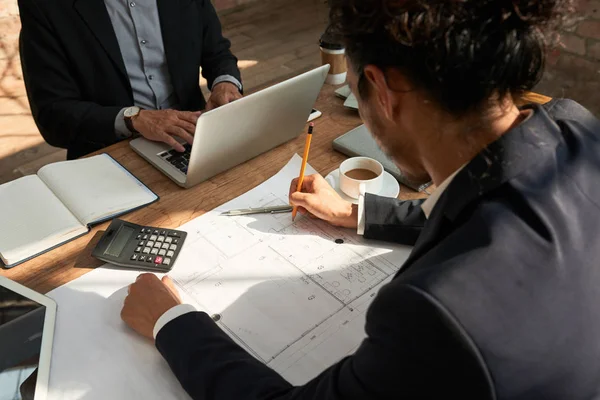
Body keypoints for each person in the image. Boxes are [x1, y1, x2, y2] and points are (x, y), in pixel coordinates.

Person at [121, 0, 600, 398]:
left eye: (353, 86)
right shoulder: (574, 128)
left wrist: (173, 322)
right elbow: (478, 205)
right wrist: (358, 212)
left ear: (385, 91)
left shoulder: (437, 315)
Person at [18, 0, 242, 159]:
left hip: (193, 136)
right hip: (108, 152)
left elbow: (216, 51)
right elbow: (53, 114)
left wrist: (225, 82)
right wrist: (132, 119)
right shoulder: (45, 5)